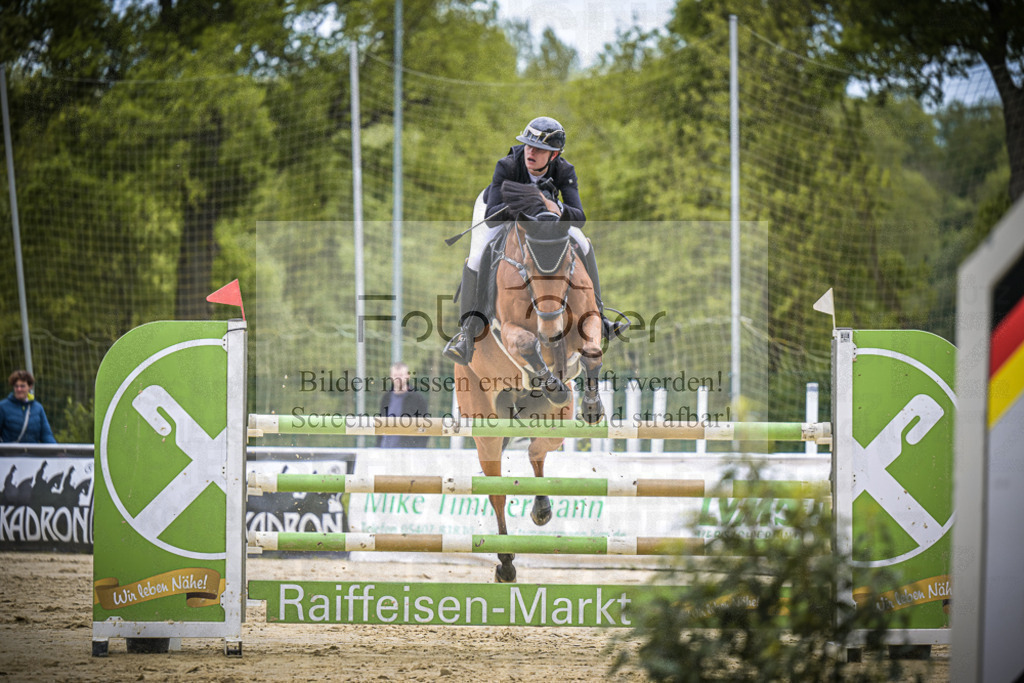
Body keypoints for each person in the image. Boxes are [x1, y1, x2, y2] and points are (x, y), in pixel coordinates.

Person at [443, 116, 627, 365]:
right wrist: (528, 207)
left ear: (554, 155)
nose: (531, 152)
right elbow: (492, 218)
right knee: (476, 257)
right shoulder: (507, 165)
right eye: (529, 145)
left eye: (540, 149)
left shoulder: (564, 170)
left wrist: (555, 208)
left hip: (545, 218)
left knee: (583, 243)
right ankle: (466, 334)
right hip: (498, 212)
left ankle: (601, 317)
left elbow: (579, 216)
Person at [377, 362, 430, 448]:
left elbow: (426, 427)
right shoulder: (386, 398)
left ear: (407, 376)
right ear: (391, 376)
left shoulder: (417, 399)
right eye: (395, 375)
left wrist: (417, 450)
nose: (398, 378)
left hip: (407, 451)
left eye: (401, 375)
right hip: (385, 450)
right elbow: (380, 425)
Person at [0, 370, 57, 443]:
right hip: (8, 450)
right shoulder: (3, 407)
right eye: (16, 386)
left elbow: (46, 435)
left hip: (32, 450)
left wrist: (56, 449)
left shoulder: (38, 408)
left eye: (22, 386)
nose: (19, 389)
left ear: (30, 387)